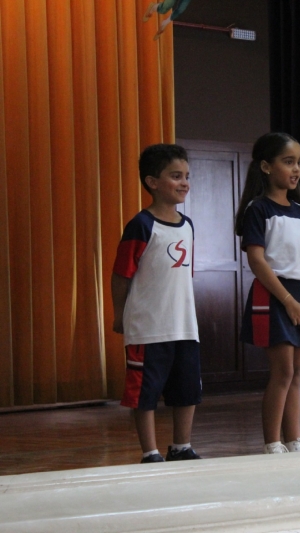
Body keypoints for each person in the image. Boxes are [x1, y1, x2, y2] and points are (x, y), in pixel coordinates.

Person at [111, 143, 202, 464]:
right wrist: (119, 314)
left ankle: (181, 446)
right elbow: (121, 274)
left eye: (187, 176)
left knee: (187, 389)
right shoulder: (141, 224)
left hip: (184, 326)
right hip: (149, 326)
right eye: (175, 176)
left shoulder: (188, 225)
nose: (184, 183)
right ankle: (149, 452)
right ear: (152, 182)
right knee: (145, 391)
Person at [235, 132, 300, 454]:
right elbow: (257, 260)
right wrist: (287, 301)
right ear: (266, 166)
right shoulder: (258, 209)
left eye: (299, 162)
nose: (296, 169)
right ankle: (273, 442)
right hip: (273, 295)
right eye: (288, 161)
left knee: (297, 373)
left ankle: (294, 438)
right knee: (283, 371)